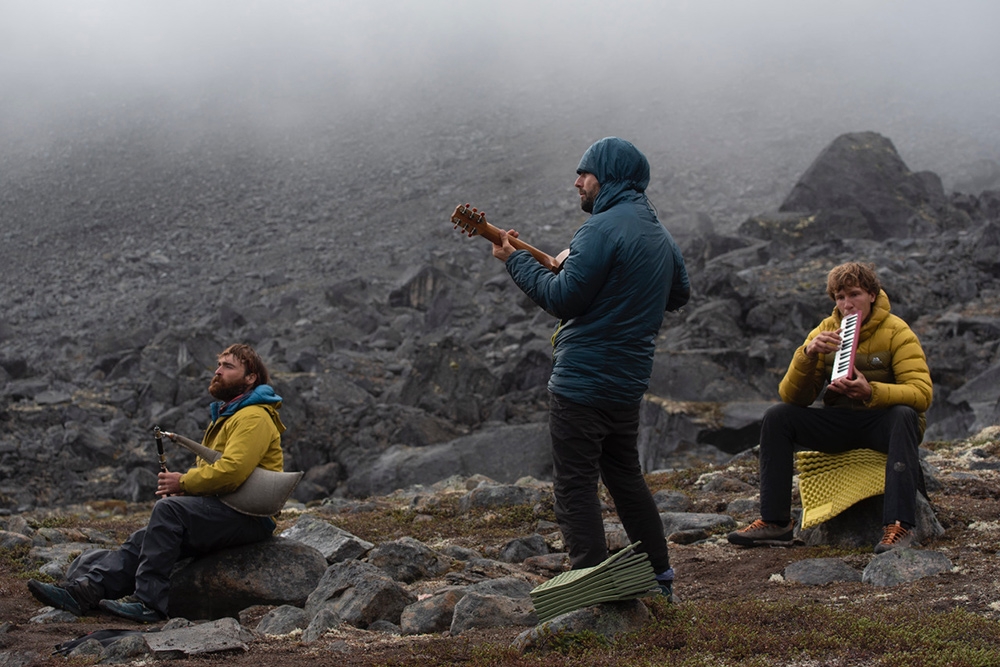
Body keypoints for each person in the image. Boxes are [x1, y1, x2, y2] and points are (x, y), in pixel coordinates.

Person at [491, 137, 690, 597]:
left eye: (585, 173)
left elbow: (562, 299)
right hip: (627, 382)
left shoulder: (598, 230)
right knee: (625, 479)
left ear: (610, 177)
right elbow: (678, 294)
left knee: (574, 487)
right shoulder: (659, 233)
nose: (577, 182)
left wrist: (517, 260)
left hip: (581, 381)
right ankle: (660, 580)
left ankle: (594, 590)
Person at [28, 343, 286, 622]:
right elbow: (218, 471)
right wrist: (187, 495)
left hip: (249, 516)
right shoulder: (231, 415)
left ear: (251, 378)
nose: (217, 371)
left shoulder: (253, 416)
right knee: (148, 537)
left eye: (228, 366)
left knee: (168, 512)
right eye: (219, 364)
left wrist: (183, 484)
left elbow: (233, 471)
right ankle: (82, 594)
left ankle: (150, 604)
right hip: (228, 509)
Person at [727, 262, 933, 553]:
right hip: (841, 422)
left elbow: (922, 394)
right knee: (778, 416)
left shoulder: (897, 331)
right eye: (839, 297)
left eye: (854, 294)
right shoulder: (825, 330)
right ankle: (775, 522)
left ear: (873, 294)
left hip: (883, 424)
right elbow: (792, 396)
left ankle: (899, 526)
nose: (847, 304)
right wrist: (808, 355)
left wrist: (871, 391)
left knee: (904, 414)